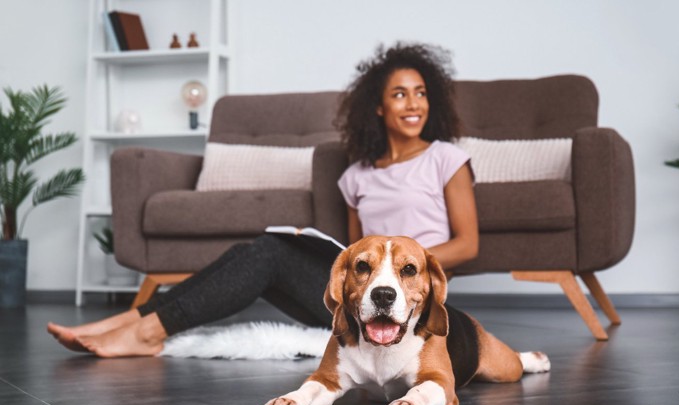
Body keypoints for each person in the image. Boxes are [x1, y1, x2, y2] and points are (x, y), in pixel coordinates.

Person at [47, 42, 478, 358]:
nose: (413, 103)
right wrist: (309, 245)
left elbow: (467, 245)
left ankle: (143, 331)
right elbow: (353, 253)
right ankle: (128, 321)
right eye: (399, 94)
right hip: (363, 299)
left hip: (407, 299)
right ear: (379, 108)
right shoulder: (356, 176)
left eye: (420, 92)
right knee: (254, 251)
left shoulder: (446, 159)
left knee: (267, 254)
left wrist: (399, 267)